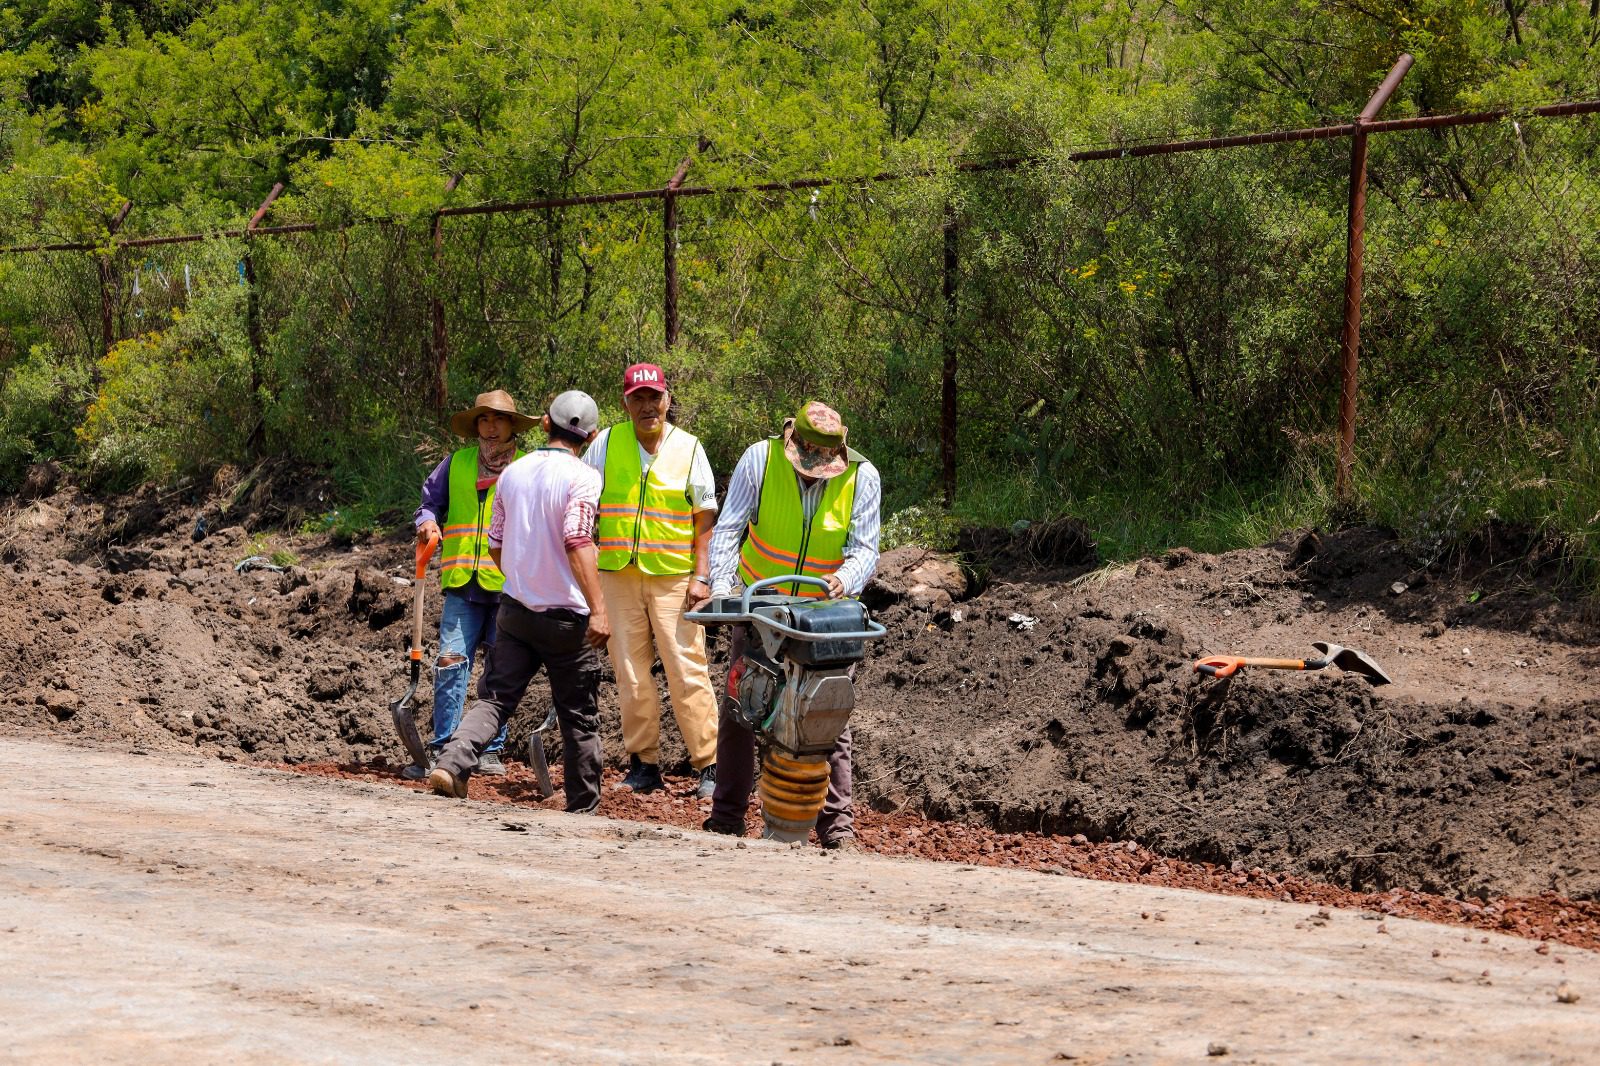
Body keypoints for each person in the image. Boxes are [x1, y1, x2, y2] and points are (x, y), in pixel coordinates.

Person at [700, 401, 881, 850]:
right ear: (791, 444)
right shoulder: (759, 460)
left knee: (828, 717)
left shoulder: (864, 477)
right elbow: (728, 529)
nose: (814, 474)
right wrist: (725, 589)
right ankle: (727, 817)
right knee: (743, 708)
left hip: (825, 616)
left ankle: (836, 828)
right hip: (762, 607)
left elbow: (865, 548)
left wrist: (843, 579)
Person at [428, 390, 612, 812]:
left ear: (545, 424)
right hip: (567, 620)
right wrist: (599, 608)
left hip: (515, 610)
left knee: (495, 698)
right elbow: (578, 538)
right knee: (578, 715)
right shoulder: (584, 477)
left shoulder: (514, 473)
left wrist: (522, 577)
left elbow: (495, 542)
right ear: (592, 434)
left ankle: (452, 763)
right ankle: (583, 807)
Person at [586, 363, 720, 799]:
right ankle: (644, 763)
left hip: (673, 579)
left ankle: (710, 765)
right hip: (618, 576)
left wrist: (702, 576)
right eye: (638, 398)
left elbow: (704, 517)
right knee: (629, 672)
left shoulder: (690, 448)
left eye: (654, 397)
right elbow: (582, 505)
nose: (647, 406)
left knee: (687, 668)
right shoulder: (606, 444)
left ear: (667, 400)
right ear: (625, 403)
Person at [406, 389, 532, 780]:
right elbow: (428, 503)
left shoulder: (528, 469)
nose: (490, 428)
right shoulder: (456, 464)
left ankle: (490, 750)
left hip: (509, 586)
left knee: (501, 669)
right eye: (483, 420)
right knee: (450, 662)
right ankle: (445, 746)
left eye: (498, 420)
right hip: (462, 583)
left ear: (512, 426)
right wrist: (426, 522)